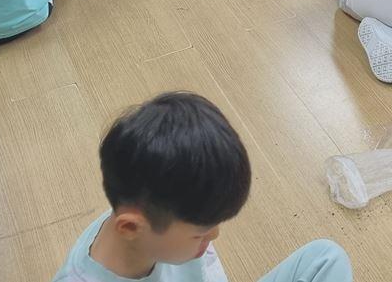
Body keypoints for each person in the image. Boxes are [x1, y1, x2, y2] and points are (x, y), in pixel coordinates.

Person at [54, 91, 352, 282]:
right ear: (131, 228)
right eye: (201, 233)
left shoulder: (152, 204)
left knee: (326, 258)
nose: (215, 235)